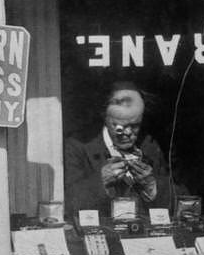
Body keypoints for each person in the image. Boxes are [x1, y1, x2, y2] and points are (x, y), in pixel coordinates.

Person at [63, 82, 173, 216]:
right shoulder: (77, 146)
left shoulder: (149, 145)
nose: (127, 132)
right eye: (119, 126)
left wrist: (153, 186)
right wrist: (101, 181)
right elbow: (67, 204)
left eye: (135, 126)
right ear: (105, 117)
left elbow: (179, 199)